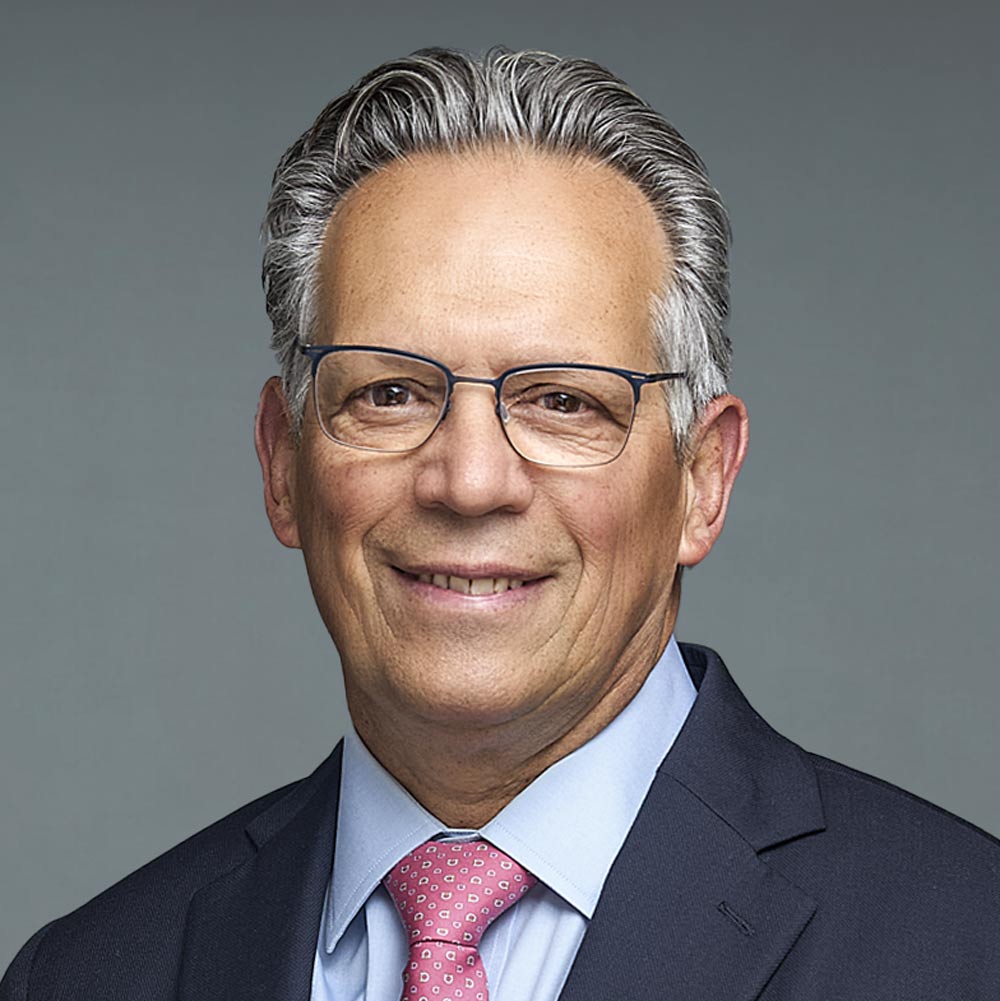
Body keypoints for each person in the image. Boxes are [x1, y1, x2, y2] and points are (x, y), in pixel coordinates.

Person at [3, 46, 998, 1001]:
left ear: (702, 480)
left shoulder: (967, 946)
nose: (471, 481)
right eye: (389, 392)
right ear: (282, 462)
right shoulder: (89, 975)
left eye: (563, 400)